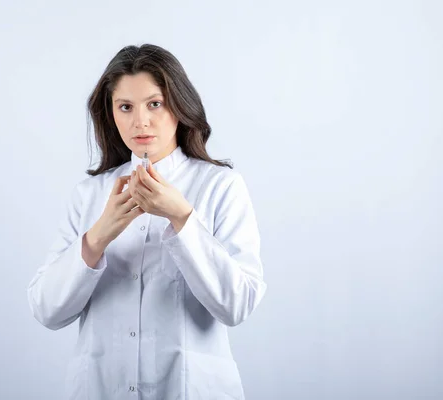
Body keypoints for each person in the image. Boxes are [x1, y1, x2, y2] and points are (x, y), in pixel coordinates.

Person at [26, 44, 267, 400]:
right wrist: (97, 238)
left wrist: (182, 218)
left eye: (154, 103)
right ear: (110, 114)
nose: (140, 121)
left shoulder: (221, 186)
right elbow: (46, 309)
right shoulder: (89, 195)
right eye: (125, 107)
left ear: (179, 105)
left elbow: (238, 305)